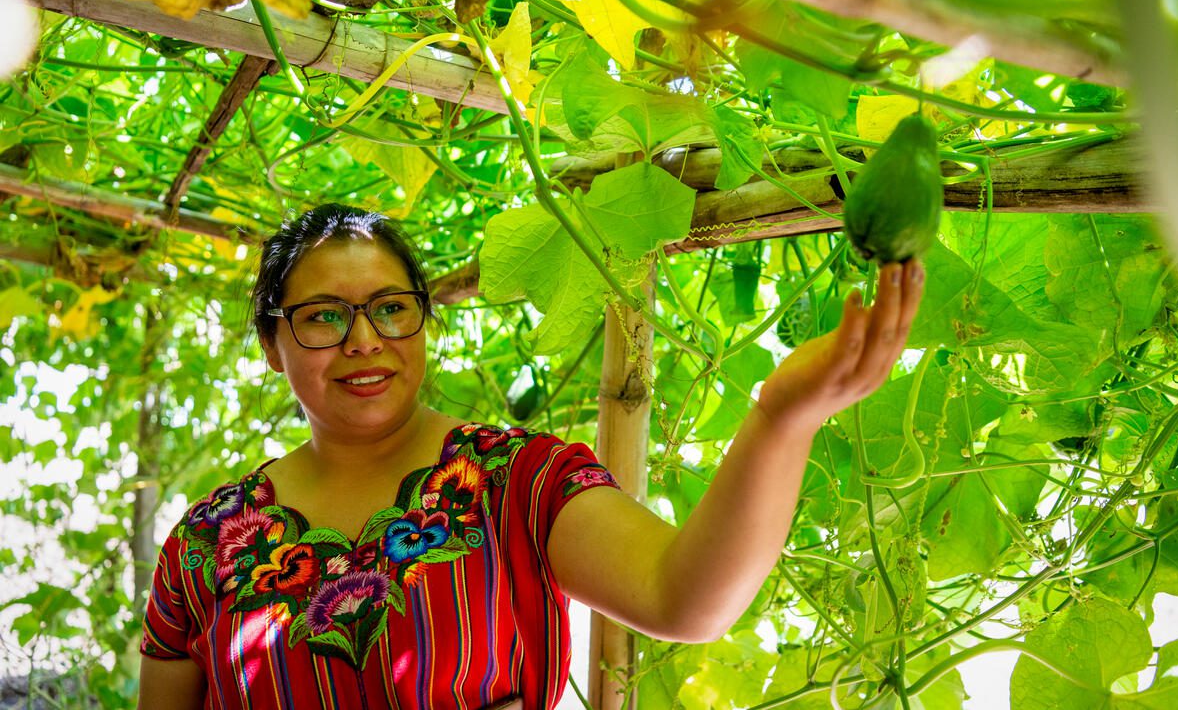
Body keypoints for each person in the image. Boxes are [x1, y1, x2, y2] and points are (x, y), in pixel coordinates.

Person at [137, 203, 923, 709]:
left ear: (424, 322)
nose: (364, 340)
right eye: (323, 317)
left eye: (390, 308)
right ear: (273, 344)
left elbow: (685, 596)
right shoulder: (208, 541)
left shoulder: (518, 479)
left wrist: (779, 418)